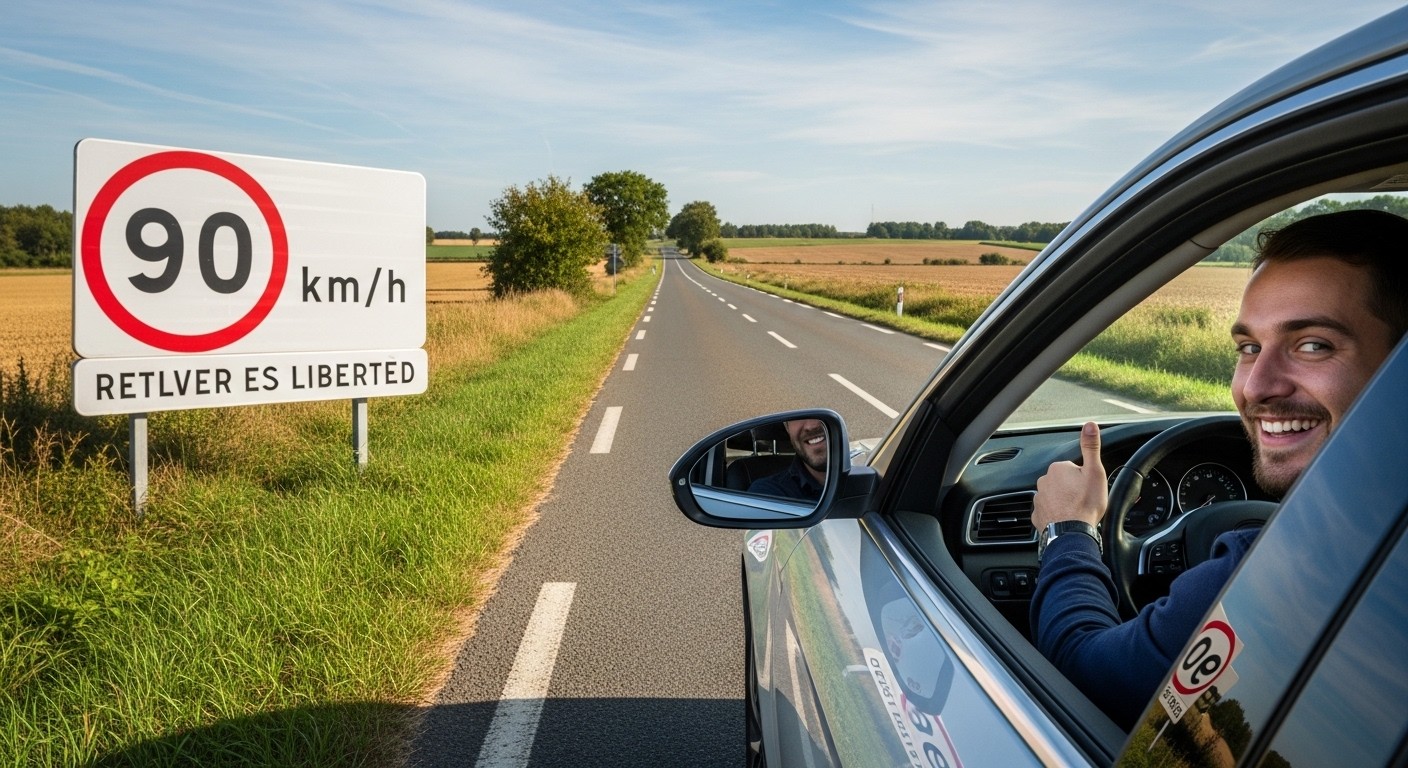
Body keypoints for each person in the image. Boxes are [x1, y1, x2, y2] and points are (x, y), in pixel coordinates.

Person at [1029, 209, 1408, 729]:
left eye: (1313, 345)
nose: (1256, 386)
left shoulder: (1290, 571)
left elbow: (1083, 671)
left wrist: (1068, 531)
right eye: (1249, 348)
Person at [748, 418, 828, 500]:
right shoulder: (768, 493)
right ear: (786, 427)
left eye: (821, 412)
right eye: (797, 416)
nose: (811, 426)